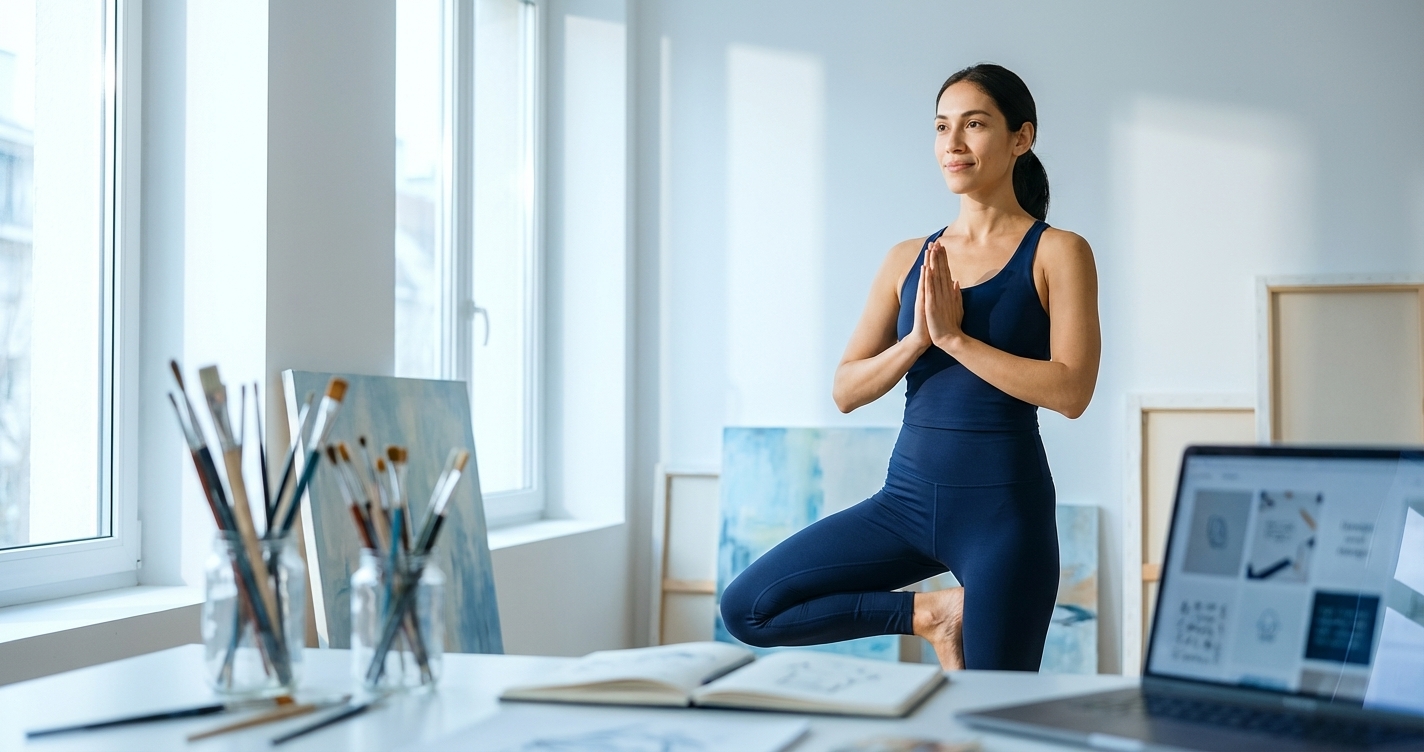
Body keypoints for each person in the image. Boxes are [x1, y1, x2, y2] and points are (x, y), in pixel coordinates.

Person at [719, 63, 1101, 671]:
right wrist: (917, 340)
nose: (952, 144)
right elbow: (846, 389)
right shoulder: (907, 258)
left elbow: (1072, 389)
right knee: (750, 608)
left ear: (1020, 138)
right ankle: (931, 615)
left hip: (1004, 512)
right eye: (942, 127)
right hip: (906, 502)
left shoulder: (1058, 252)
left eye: (974, 125)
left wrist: (953, 339)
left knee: (987, 716)